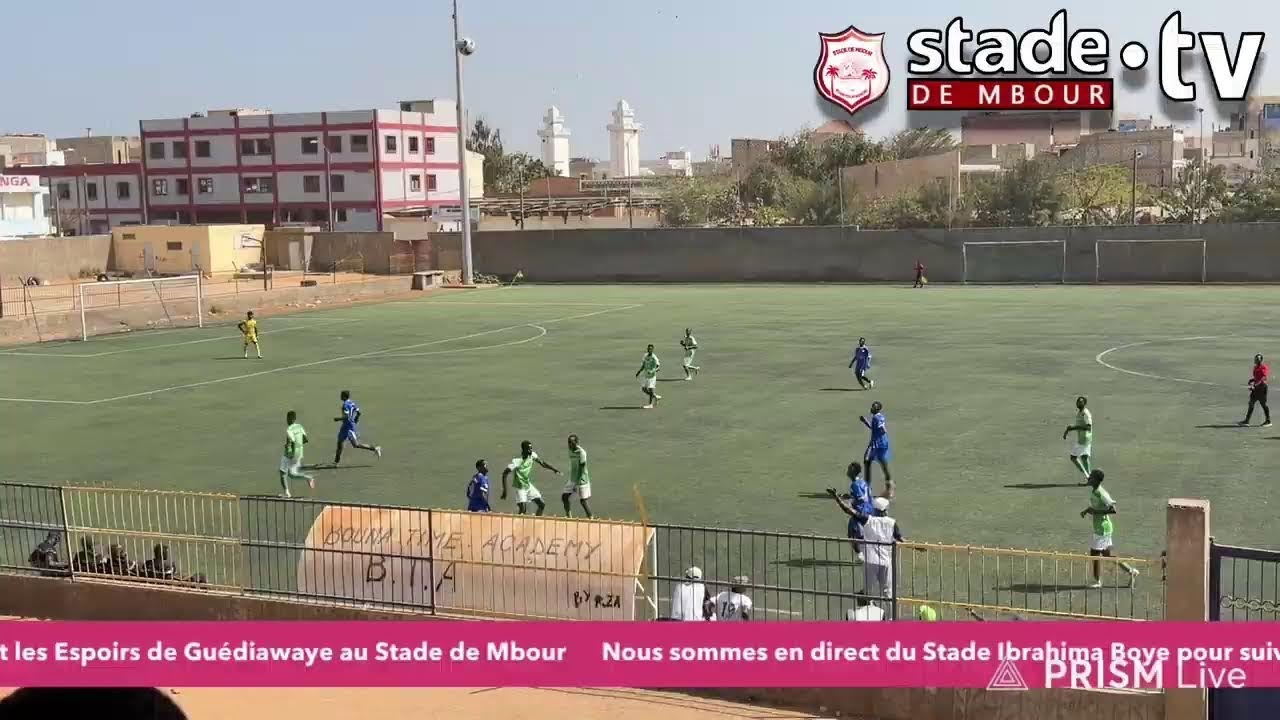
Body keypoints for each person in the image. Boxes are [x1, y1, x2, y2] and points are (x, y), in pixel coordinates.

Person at [827, 490, 902, 599]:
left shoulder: (868, 520)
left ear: (874, 509)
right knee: (888, 593)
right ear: (886, 510)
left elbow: (848, 510)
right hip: (886, 561)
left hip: (870, 561)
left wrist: (837, 498)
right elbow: (901, 539)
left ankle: (867, 609)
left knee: (867, 591)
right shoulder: (892, 523)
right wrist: (917, 547)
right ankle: (891, 615)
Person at [1080, 469, 1140, 589]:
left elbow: (1113, 509)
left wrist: (1094, 511)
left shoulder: (1100, 493)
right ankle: (1131, 571)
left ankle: (1098, 581)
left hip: (1102, 529)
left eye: (1091, 477)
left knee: (1094, 554)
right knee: (1108, 554)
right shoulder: (1095, 491)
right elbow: (1097, 506)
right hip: (1101, 528)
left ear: (1096, 480)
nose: (1088, 478)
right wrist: (1088, 510)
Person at [501, 440, 561, 516]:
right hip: (520, 487)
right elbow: (504, 474)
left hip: (528, 485)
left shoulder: (532, 455)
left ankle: (537, 521)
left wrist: (554, 469)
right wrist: (505, 491)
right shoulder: (517, 461)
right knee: (523, 510)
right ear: (524, 449)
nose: (531, 450)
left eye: (531, 448)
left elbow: (542, 463)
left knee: (542, 504)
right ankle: (518, 526)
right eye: (529, 449)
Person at [333, 390, 383, 465]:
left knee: (353, 444)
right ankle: (335, 462)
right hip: (347, 426)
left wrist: (338, 419)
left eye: (341, 395)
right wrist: (356, 418)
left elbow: (347, 417)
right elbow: (359, 412)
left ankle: (375, 448)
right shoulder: (352, 403)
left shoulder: (345, 405)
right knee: (342, 443)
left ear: (344, 396)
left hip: (348, 427)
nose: (340, 396)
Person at [839, 462, 873, 563]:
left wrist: (852, 502)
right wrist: (849, 496)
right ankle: (864, 555)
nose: (847, 471)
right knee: (860, 534)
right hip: (868, 510)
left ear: (853, 472)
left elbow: (861, 498)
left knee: (853, 535)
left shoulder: (854, 485)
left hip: (860, 512)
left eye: (849, 469)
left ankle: (862, 556)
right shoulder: (863, 482)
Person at [279, 410, 314, 498]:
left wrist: (287, 446)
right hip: (299, 454)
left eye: (287, 418)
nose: (287, 420)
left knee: (282, 473)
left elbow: (291, 441)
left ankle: (287, 494)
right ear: (295, 419)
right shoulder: (300, 426)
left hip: (290, 454)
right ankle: (308, 477)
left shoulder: (289, 429)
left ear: (289, 419)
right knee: (291, 474)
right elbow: (305, 439)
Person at [859, 401, 893, 492]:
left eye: (873, 407)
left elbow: (883, 430)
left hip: (877, 444)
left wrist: (879, 435)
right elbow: (874, 428)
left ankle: (867, 487)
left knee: (867, 461)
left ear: (877, 409)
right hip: (881, 443)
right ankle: (889, 485)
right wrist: (865, 421)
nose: (871, 408)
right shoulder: (878, 417)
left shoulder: (877, 418)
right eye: (872, 406)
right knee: (881, 463)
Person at [562, 434, 593, 518]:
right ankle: (569, 516)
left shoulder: (582, 453)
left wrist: (577, 484)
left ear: (577, 442)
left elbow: (582, 469)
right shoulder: (570, 450)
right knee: (564, 497)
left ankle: (591, 518)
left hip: (582, 480)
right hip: (572, 479)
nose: (570, 445)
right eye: (569, 443)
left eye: (572, 443)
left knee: (583, 501)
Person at [1063, 396, 1093, 481]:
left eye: (1081, 402)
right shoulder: (1080, 412)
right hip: (1083, 438)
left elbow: (1088, 427)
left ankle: (1086, 474)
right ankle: (1089, 477)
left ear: (1084, 403)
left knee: (1073, 457)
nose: (1079, 403)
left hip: (1084, 439)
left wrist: (1073, 428)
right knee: (1084, 457)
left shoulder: (1085, 413)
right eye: (1078, 401)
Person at [1240, 353, 1272, 427]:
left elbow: (1263, 378)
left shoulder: (1263, 367)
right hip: (1256, 388)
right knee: (1251, 403)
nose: (1256, 360)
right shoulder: (1255, 367)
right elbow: (1257, 377)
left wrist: (1255, 385)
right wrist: (1252, 380)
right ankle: (1247, 421)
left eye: (1257, 359)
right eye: (1256, 359)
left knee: (1263, 404)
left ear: (1260, 360)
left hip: (1262, 388)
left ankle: (1268, 421)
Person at [636, 344, 662, 409]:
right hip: (646, 375)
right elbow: (644, 365)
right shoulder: (645, 356)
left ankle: (650, 404)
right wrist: (639, 371)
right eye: (648, 349)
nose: (649, 350)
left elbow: (658, 367)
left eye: (651, 349)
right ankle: (655, 396)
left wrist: (653, 371)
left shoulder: (654, 357)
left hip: (652, 376)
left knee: (651, 389)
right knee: (643, 389)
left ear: (653, 350)